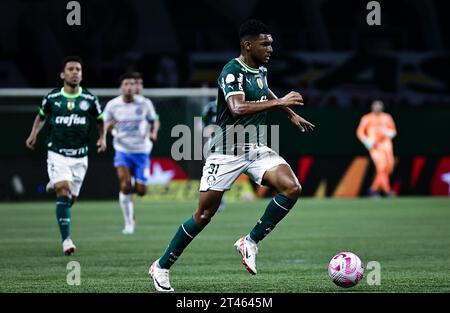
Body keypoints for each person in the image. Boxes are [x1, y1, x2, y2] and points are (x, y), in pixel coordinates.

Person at [148, 19, 315, 292]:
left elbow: (264, 91)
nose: (271, 48)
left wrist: (291, 114)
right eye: (265, 44)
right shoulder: (231, 71)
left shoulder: (259, 68)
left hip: (256, 148)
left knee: (291, 187)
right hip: (227, 151)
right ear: (248, 45)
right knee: (203, 215)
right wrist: (281, 102)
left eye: (271, 43)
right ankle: (162, 265)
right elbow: (237, 108)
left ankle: (250, 241)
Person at [25, 56, 106, 255]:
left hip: (80, 156)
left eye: (78, 69)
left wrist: (102, 138)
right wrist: (33, 134)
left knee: (70, 199)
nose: (74, 72)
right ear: (62, 74)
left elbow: (100, 120)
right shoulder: (52, 98)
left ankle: (55, 183)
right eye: (70, 69)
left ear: (82, 74)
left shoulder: (89, 99)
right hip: (57, 152)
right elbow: (41, 117)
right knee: (64, 189)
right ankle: (66, 240)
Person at [103, 73, 159, 234]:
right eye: (126, 84)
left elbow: (154, 120)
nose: (129, 87)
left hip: (141, 150)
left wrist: (153, 132)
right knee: (125, 186)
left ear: (136, 87)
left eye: (132, 84)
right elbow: (104, 123)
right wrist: (106, 136)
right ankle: (129, 222)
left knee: (141, 191)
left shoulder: (145, 103)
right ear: (121, 87)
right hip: (123, 150)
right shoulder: (113, 105)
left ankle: (135, 180)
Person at [356, 100, 397, 197]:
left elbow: (393, 131)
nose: (378, 108)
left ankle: (373, 189)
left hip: (386, 145)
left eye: (379, 106)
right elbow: (360, 132)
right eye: (376, 106)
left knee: (388, 168)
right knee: (381, 167)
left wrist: (386, 133)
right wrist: (368, 142)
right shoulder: (367, 118)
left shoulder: (387, 117)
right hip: (375, 147)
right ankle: (387, 191)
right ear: (372, 107)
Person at [201, 99, 225, 212]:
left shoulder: (230, 104)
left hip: (227, 143)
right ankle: (211, 200)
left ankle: (219, 199)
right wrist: (207, 129)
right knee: (213, 172)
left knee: (222, 173)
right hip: (213, 143)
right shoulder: (210, 107)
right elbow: (203, 122)